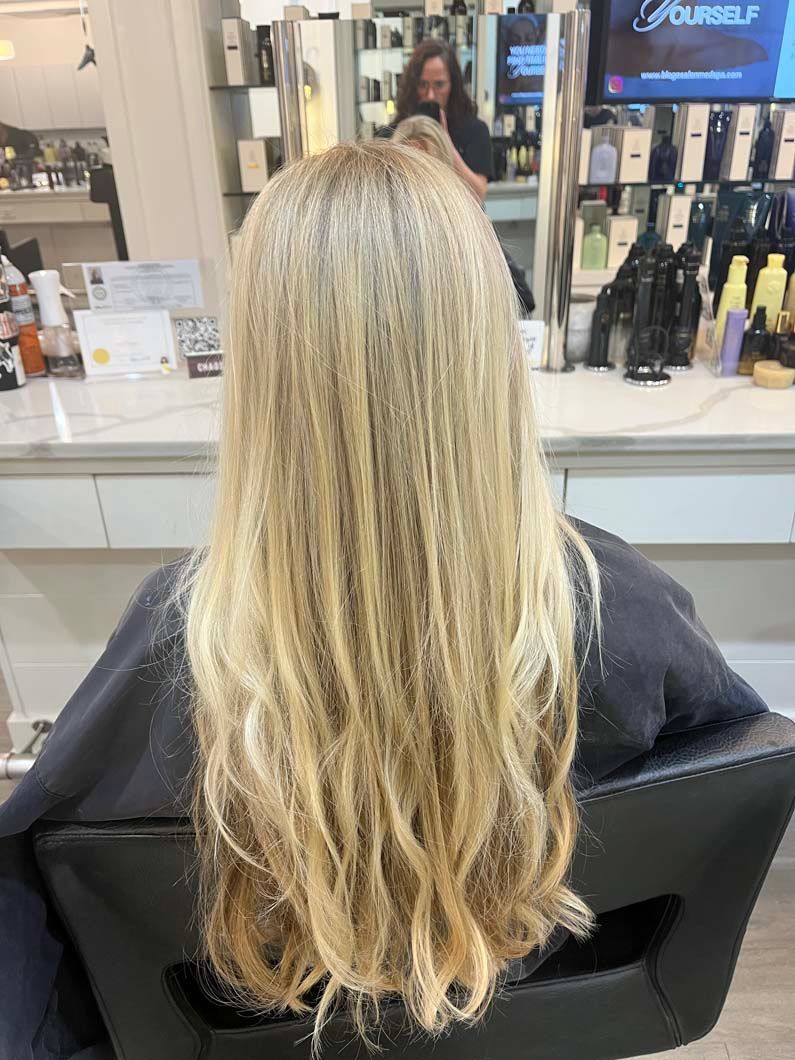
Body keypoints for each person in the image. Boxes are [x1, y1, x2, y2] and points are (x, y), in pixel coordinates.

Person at [0, 142, 767, 1060]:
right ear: (484, 348)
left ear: (265, 366)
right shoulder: (614, 603)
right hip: (519, 1010)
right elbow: (725, 775)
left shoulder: (183, 635)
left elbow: (47, 901)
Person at [393, 115, 535, 315]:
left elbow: (524, 300)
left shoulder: (465, 231)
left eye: (429, 166)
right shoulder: (387, 238)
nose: (419, 181)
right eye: (410, 169)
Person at [391, 39, 493, 200]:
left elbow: (478, 194)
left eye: (439, 85)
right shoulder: (395, 132)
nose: (430, 95)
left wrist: (445, 142)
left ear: (453, 85)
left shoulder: (474, 130)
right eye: (422, 84)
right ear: (413, 85)